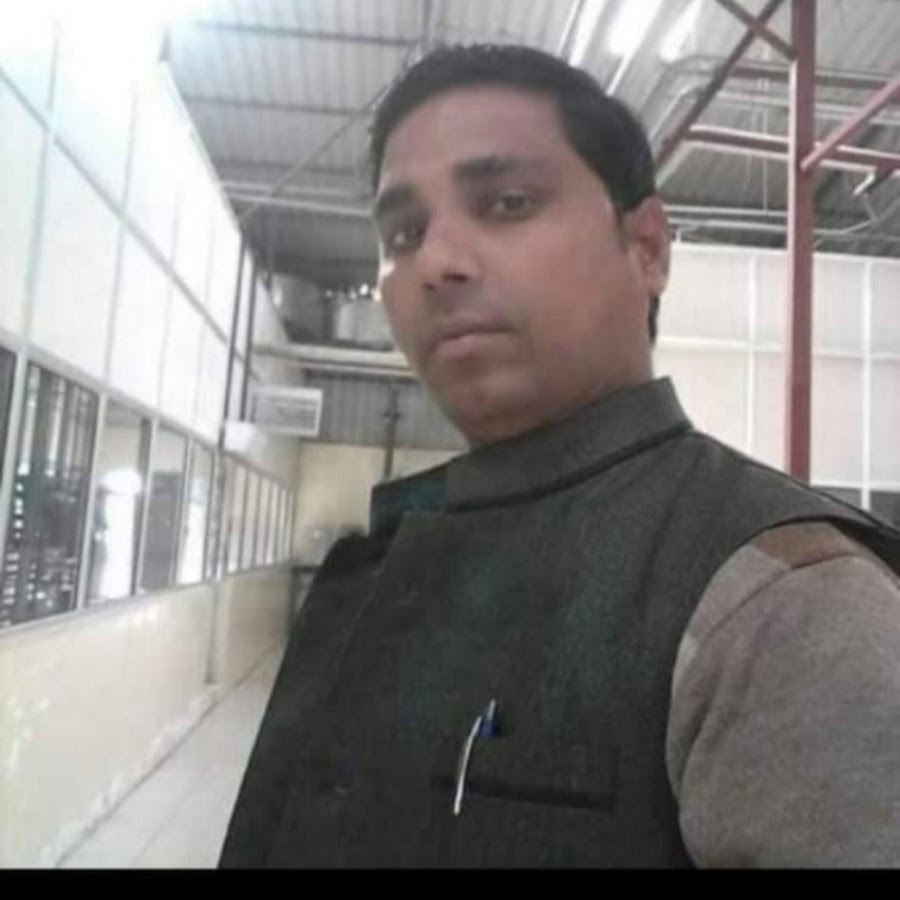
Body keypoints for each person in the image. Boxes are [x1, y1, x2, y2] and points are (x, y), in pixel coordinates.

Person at [220, 44, 900, 868]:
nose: (436, 262)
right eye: (405, 232)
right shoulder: (389, 559)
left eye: (507, 202)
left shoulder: (777, 597)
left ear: (646, 248)